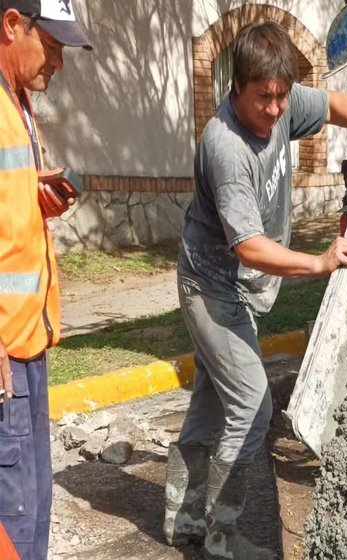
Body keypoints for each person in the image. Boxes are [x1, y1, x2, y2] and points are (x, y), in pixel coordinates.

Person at [163, 20, 347, 560]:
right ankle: (220, 538)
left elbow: (327, 104)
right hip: (211, 285)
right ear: (236, 87)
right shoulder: (226, 148)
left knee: (212, 398)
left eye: (280, 97)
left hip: (238, 289)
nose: (276, 110)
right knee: (251, 406)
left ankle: (184, 520)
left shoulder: (279, 96)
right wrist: (320, 262)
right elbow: (249, 246)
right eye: (264, 99)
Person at [0, 1, 92, 559]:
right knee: (13, 515)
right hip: (4, 357)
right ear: (13, 25)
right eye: (52, 45)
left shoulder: (17, 104)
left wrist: (39, 194)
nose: (58, 61)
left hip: (27, 343)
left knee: (33, 502)